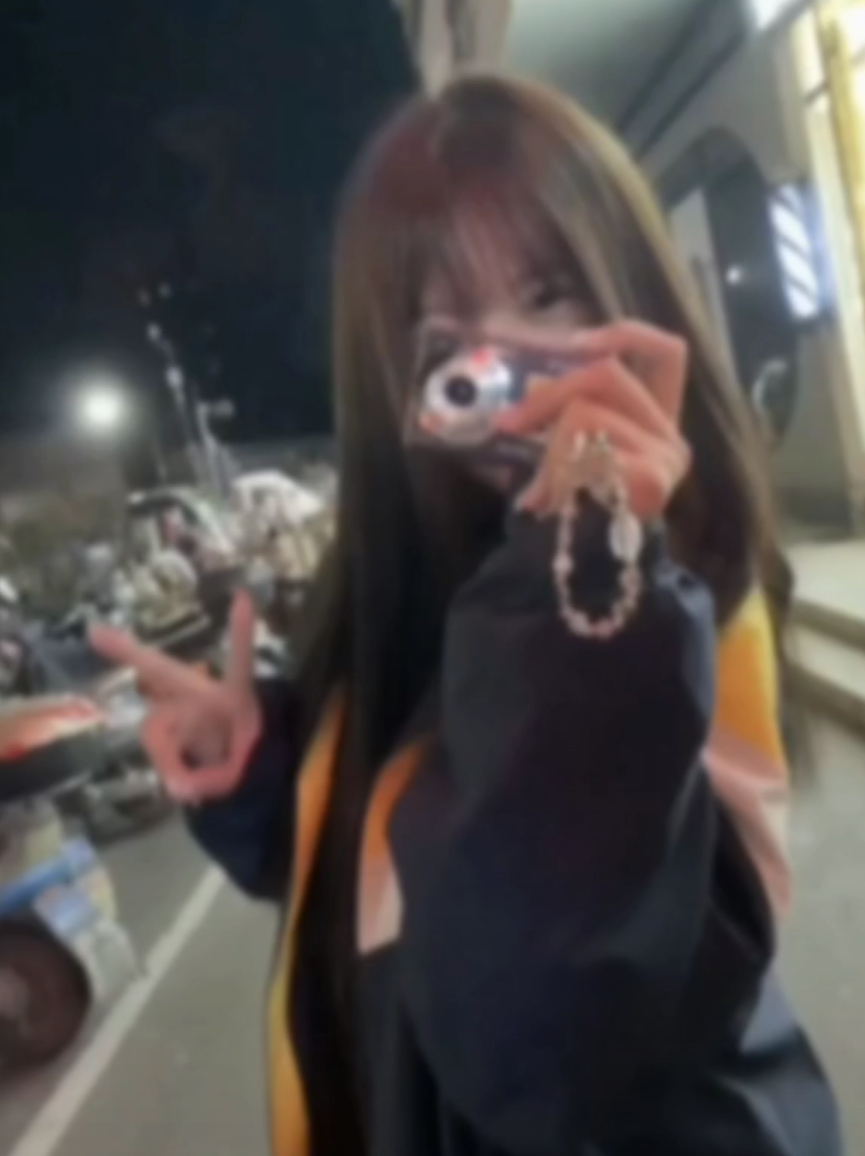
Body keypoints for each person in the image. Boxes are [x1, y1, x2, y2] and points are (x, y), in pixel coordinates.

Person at [92, 77, 842, 1156]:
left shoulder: (667, 610)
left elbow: (534, 1028)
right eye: (443, 339)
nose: (506, 370)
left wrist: (585, 556)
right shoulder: (428, 586)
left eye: (547, 296)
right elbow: (402, 890)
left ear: (635, 294)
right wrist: (266, 778)